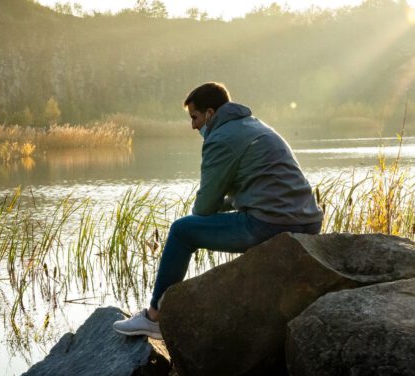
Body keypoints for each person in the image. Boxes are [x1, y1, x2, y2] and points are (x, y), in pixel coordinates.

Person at [112, 82, 323, 340]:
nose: (193, 126)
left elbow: (204, 208)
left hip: (269, 223)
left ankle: (154, 317)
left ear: (210, 114)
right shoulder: (255, 125)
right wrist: (221, 206)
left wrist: (204, 210)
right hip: (308, 221)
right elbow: (253, 190)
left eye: (195, 117)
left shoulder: (221, 138)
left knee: (181, 231)